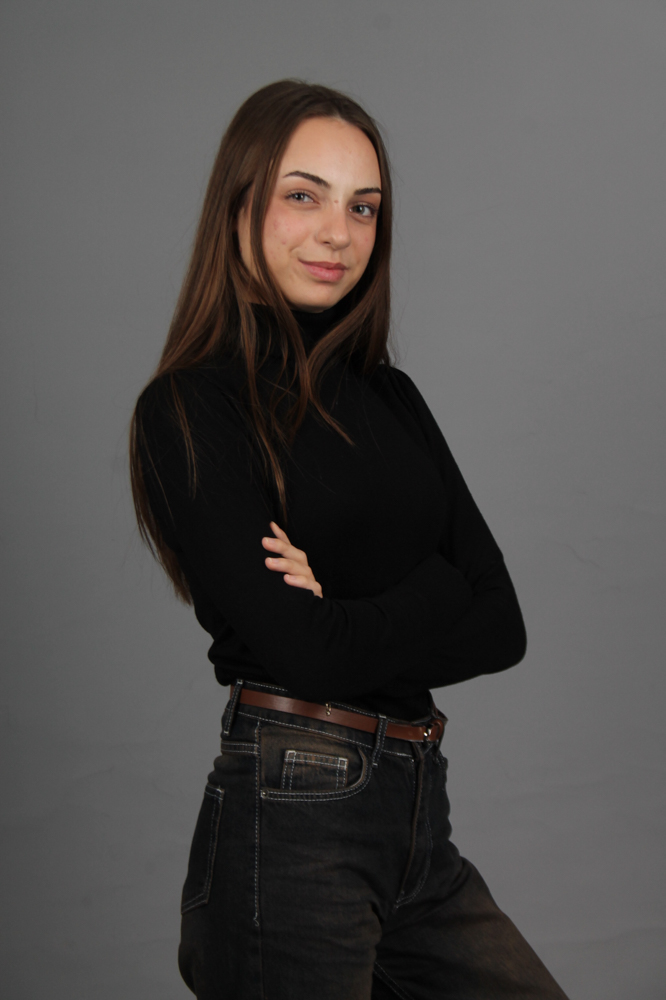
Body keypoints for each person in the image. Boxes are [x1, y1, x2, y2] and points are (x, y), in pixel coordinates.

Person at [130, 80, 569, 1000]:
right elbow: (307, 654)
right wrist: (436, 586)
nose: (339, 233)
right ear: (239, 206)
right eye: (305, 196)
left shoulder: (392, 397)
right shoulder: (192, 407)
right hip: (295, 814)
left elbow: (504, 627)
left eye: (363, 207)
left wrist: (341, 607)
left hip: (418, 813)